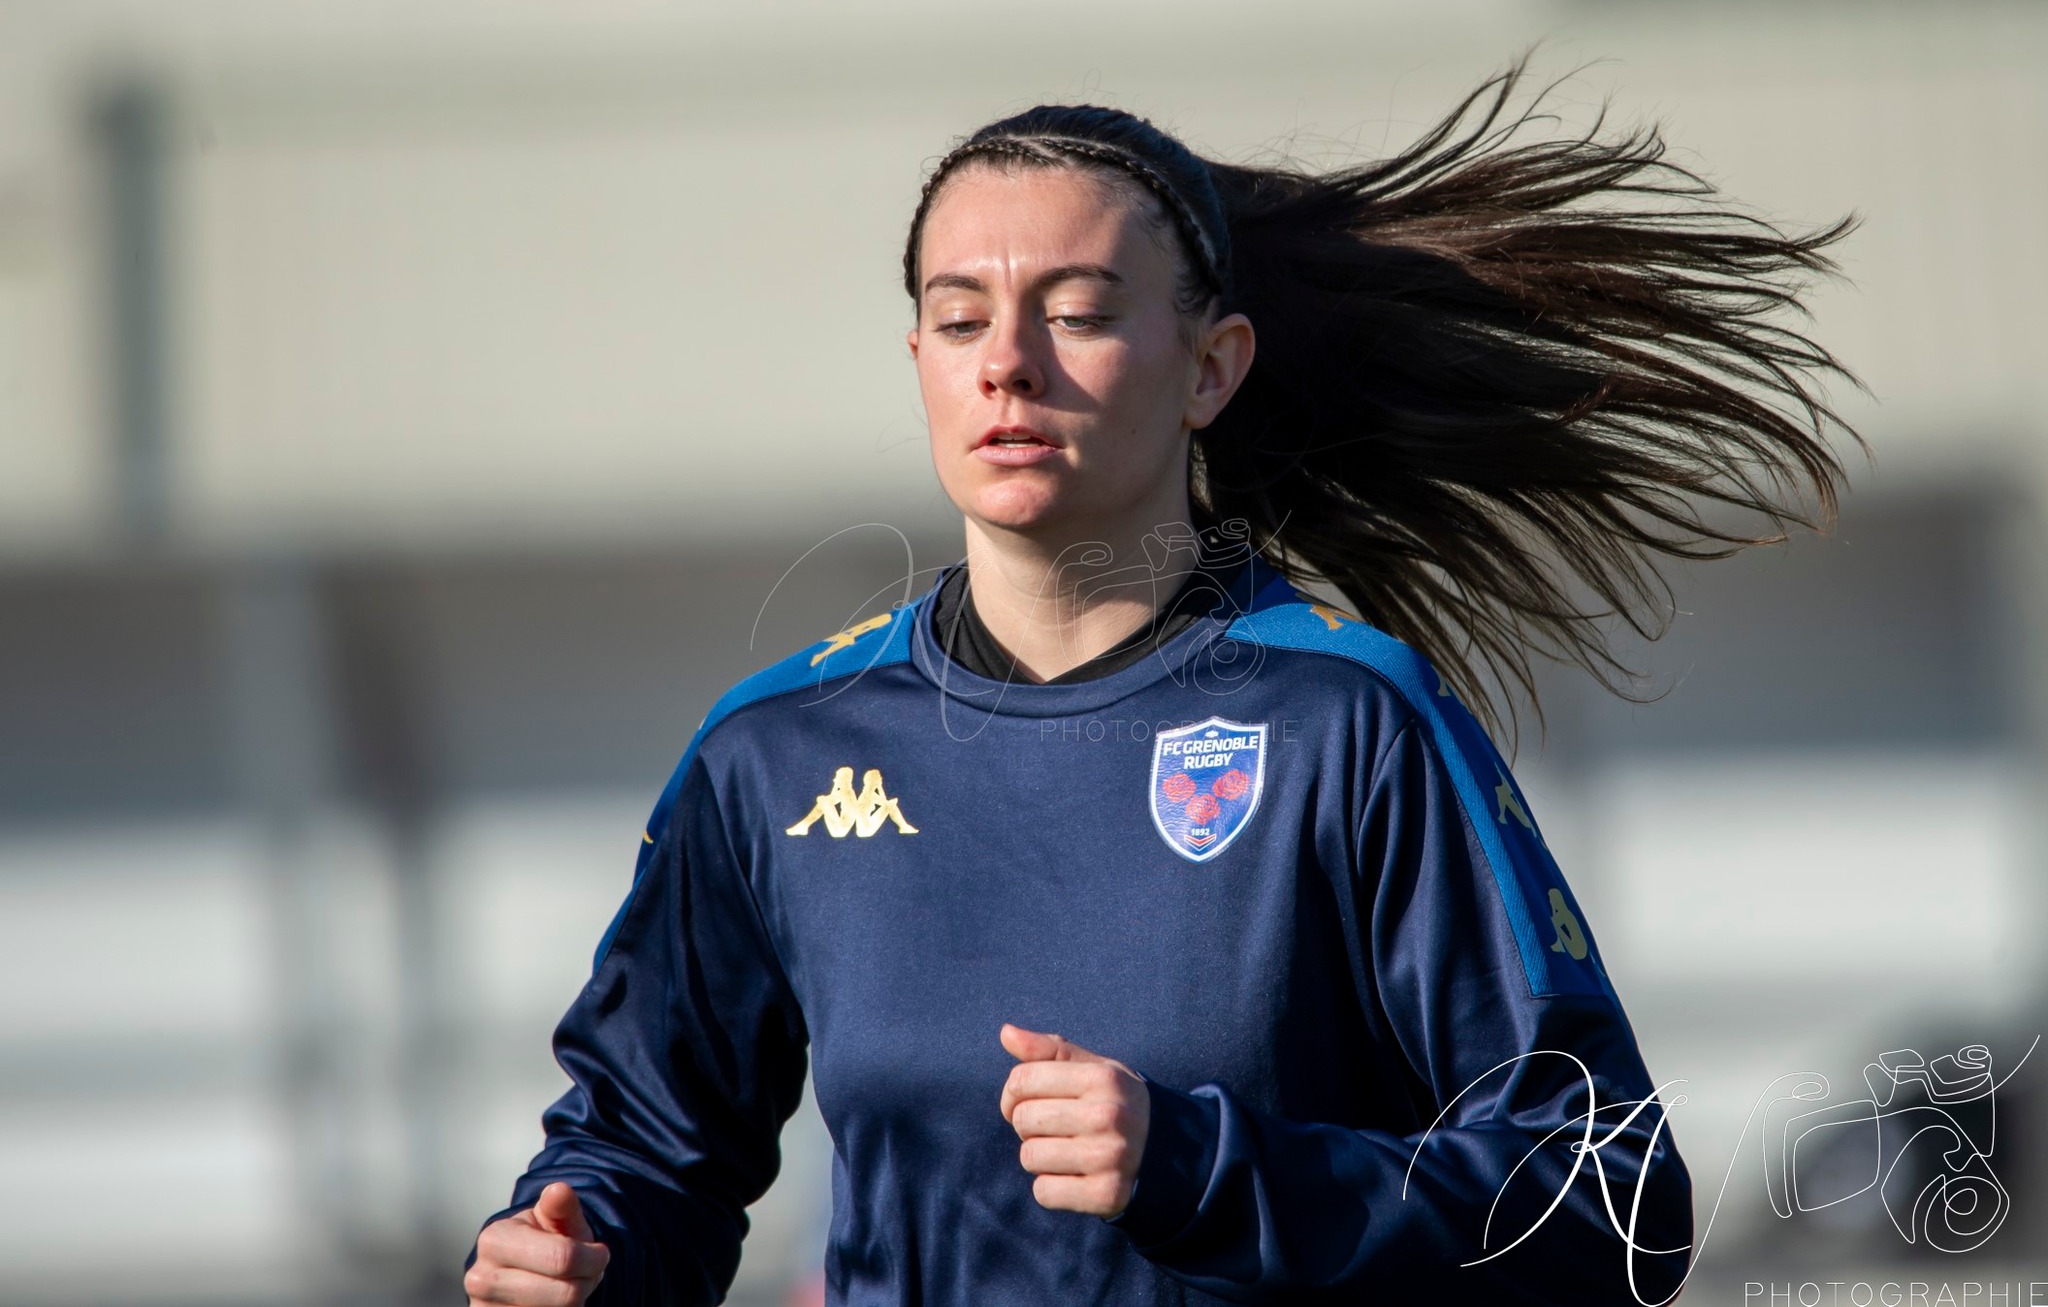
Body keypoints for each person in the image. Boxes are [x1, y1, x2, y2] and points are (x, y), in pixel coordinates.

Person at [463, 63, 1856, 1306]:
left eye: (1074, 312)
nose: (1008, 362)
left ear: (1211, 369)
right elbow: (651, 1157)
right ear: (920, 365)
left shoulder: (1346, 721)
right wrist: (582, 1254)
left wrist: (1205, 1167)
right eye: (959, 321)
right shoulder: (774, 754)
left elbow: (1609, 1205)